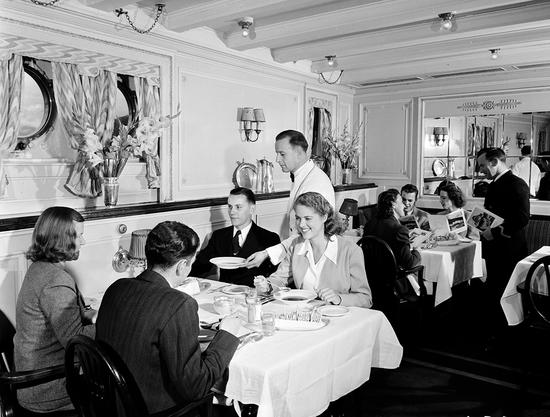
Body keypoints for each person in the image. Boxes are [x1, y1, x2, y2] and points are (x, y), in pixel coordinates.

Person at [96, 221, 240, 413]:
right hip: (151, 409)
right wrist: (227, 335)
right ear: (182, 266)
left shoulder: (116, 288)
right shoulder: (180, 304)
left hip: (108, 404)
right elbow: (196, 386)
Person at [14, 206, 95, 413]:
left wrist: (87, 314)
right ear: (62, 239)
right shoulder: (55, 281)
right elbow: (75, 340)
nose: (83, 242)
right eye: (79, 236)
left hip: (34, 379)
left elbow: (55, 321)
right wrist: (111, 320)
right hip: (47, 388)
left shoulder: (39, 268)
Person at [254, 192, 371, 308]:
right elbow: (279, 279)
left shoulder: (350, 251)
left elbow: (365, 299)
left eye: (308, 218)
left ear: (324, 217)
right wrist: (267, 285)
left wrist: (339, 298)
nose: (301, 224)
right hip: (306, 317)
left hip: (339, 319)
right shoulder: (296, 246)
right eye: (298, 218)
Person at [246, 130, 335, 268]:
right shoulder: (303, 176)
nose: (277, 159)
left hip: (315, 260)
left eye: (282, 154)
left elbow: (307, 232)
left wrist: (266, 254)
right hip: (299, 253)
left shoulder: (315, 184)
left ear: (299, 153)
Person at [476, 147, 530, 340]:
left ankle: (508, 336)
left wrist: (496, 232)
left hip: (509, 249)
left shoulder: (517, 184)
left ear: (494, 162)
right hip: (494, 248)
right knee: (494, 290)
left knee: (506, 291)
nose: (480, 170)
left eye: (483, 165)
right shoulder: (494, 184)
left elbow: (522, 218)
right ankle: (496, 333)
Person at [190, 187, 280, 286]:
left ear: (252, 209)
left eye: (238, 207)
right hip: (224, 295)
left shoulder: (269, 238)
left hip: (254, 295)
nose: (232, 212)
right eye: (230, 206)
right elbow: (200, 267)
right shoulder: (219, 236)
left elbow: (276, 277)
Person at [364, 189, 421, 270]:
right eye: (401, 202)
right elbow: (409, 263)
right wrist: (417, 251)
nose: (404, 206)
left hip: (370, 276)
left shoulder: (369, 225)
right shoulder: (400, 230)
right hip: (393, 278)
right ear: (393, 204)